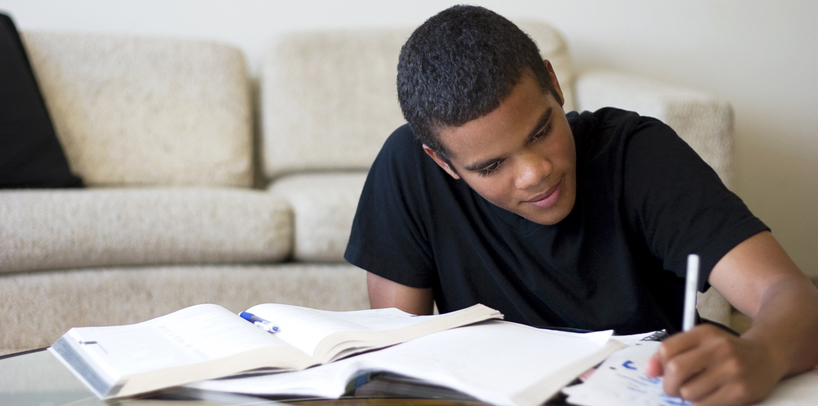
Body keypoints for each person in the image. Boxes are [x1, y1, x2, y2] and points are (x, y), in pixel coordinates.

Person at [344, 5, 818, 406]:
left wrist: (765, 354)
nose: (535, 173)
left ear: (553, 82)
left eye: (541, 131)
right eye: (490, 167)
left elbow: (792, 297)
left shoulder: (639, 154)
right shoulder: (407, 168)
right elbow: (396, 358)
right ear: (442, 162)